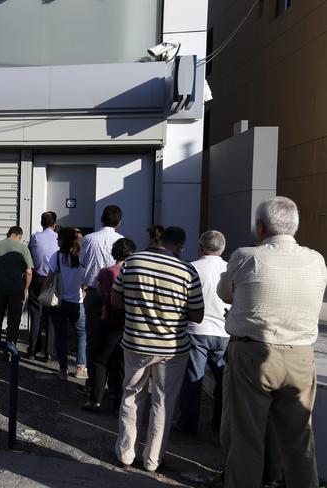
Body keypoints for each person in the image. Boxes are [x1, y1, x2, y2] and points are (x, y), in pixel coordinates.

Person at [217, 196, 327, 488]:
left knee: (245, 436)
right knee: (299, 439)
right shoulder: (316, 260)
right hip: (301, 357)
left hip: (251, 354)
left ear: (261, 227)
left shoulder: (245, 256)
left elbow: (225, 293)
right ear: (294, 227)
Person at [111, 226, 204, 472]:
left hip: (135, 342)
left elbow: (115, 299)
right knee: (163, 402)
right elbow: (197, 314)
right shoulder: (187, 270)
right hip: (171, 348)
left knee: (131, 395)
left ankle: (125, 453)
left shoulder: (132, 262)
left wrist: (137, 308)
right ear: (181, 246)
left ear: (158, 239)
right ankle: (152, 460)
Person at [176, 230, 231, 435]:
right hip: (224, 331)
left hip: (196, 329)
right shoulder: (230, 268)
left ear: (201, 247)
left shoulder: (191, 267)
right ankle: (219, 423)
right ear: (223, 248)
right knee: (223, 381)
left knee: (193, 378)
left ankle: (188, 424)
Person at [83, 237, 136, 412]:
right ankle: (118, 401)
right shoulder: (134, 273)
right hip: (129, 322)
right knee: (120, 362)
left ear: (114, 253)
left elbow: (99, 293)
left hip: (110, 320)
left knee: (100, 359)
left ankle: (96, 399)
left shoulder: (106, 272)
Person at [79, 205, 123, 389]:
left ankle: (93, 383)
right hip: (117, 295)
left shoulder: (88, 239)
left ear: (102, 220)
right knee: (115, 340)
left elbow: (82, 261)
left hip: (93, 292)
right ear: (119, 222)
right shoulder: (122, 240)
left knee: (93, 337)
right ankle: (114, 386)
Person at [44, 227, 87, 380]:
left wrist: (43, 293)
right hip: (77, 302)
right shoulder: (82, 257)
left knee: (61, 335)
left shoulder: (57, 257)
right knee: (81, 334)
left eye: (59, 238)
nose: (57, 240)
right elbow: (86, 280)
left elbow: (49, 278)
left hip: (59, 302)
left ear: (64, 240)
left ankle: (63, 370)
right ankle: (81, 368)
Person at [0, 226, 33, 357]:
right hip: (16, 290)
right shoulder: (23, 248)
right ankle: (10, 350)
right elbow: (29, 272)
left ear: (8, 234)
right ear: (19, 236)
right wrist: (26, 289)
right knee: (13, 320)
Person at [27, 211, 59, 360]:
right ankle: (49, 352)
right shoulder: (59, 238)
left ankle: (32, 350)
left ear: (42, 223)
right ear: (54, 224)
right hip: (52, 279)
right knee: (51, 317)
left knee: (36, 314)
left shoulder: (35, 237)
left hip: (37, 278)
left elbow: (29, 256)